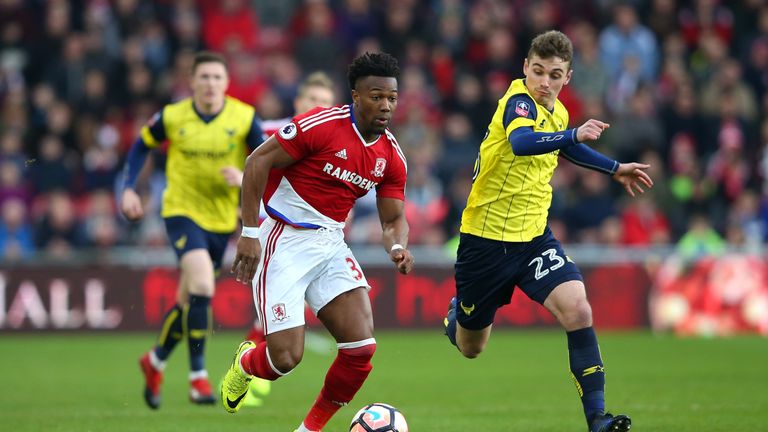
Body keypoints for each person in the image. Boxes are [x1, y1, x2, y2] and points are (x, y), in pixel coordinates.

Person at [443, 30, 652, 432]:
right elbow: (523, 143)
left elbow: (565, 147)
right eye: (537, 71)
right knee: (472, 347)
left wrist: (614, 168)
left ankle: (598, 419)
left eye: (554, 75)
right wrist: (574, 133)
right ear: (525, 67)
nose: (544, 82)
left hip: (534, 238)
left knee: (578, 308)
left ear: (567, 76)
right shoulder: (518, 102)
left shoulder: (556, 113)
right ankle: (457, 316)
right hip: (485, 243)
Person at [221, 52, 413, 432]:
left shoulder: (390, 155)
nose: (386, 105)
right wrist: (248, 233)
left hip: (330, 244)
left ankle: (308, 430)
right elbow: (256, 163)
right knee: (285, 359)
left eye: (391, 98)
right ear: (356, 96)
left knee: (361, 350)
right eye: (376, 96)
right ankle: (246, 364)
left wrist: (396, 246)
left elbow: (393, 218)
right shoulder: (321, 125)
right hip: (284, 239)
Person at [120, 51, 265, 409]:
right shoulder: (173, 116)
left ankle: (154, 361)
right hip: (181, 211)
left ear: (227, 83)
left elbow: (267, 162)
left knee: (189, 301)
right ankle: (197, 377)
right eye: (204, 77)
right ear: (192, 81)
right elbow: (141, 146)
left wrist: (245, 177)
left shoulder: (244, 118)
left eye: (217, 77)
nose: (211, 84)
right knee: (202, 284)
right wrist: (128, 188)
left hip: (221, 219)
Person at [239, 71, 337, 409]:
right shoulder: (268, 132)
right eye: (312, 101)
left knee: (276, 315)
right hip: (267, 233)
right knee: (274, 315)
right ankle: (249, 375)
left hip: (310, 239)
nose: (318, 108)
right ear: (298, 103)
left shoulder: (333, 139)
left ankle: (250, 372)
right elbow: (248, 165)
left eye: (325, 103)